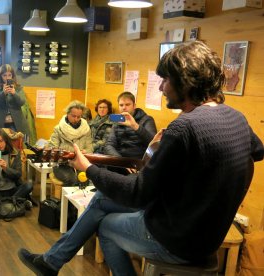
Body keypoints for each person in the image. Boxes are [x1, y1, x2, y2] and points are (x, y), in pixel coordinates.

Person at [18, 41, 264, 276]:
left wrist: (89, 168)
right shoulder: (236, 117)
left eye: (165, 80)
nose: (160, 88)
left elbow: (137, 193)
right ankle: (51, 262)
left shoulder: (185, 127)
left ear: (185, 81)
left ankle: (53, 263)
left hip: (179, 238)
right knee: (103, 199)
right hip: (207, 233)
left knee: (105, 226)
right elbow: (256, 151)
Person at [0, 128, 33, 206]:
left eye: (1, 141)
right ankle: (14, 201)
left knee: (29, 185)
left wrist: (6, 168)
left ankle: (1, 202)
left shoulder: (15, 153)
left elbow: (18, 174)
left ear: (6, 140)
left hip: (12, 189)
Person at [48, 100, 93, 186]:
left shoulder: (86, 129)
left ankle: (79, 200)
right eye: (73, 116)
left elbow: (90, 147)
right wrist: (72, 153)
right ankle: (65, 199)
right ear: (67, 114)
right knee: (72, 179)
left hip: (80, 162)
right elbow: (53, 148)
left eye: (79, 117)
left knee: (85, 179)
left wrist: (85, 152)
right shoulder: (58, 129)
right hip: (61, 164)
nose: (76, 119)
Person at [105, 91, 157, 159]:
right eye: (121, 105)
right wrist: (121, 161)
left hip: (139, 160)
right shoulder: (118, 120)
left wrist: (135, 126)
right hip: (120, 160)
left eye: (127, 104)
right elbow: (109, 145)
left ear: (134, 106)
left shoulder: (147, 119)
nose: (124, 108)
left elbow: (154, 144)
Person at [0, 64, 29, 135]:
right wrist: (3, 93)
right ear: (0, 76)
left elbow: (22, 102)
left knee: (16, 144)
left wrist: (14, 93)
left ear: (13, 76)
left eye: (9, 75)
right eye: (4, 75)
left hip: (16, 124)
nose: (7, 78)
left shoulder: (18, 88)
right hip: (0, 124)